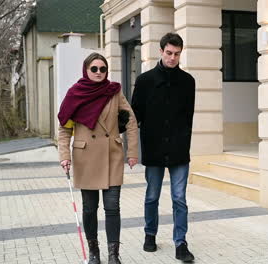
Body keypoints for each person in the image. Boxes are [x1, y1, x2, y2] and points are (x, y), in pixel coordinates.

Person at [57, 52, 139, 264]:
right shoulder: (75, 94)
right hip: (86, 158)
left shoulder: (114, 92)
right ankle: (94, 253)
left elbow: (130, 121)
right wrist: (64, 155)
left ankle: (114, 255)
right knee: (89, 208)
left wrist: (132, 152)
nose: (99, 73)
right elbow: (65, 129)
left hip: (111, 155)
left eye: (102, 69)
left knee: (112, 207)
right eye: (94, 69)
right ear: (86, 70)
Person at [131, 32, 195, 262]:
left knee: (179, 198)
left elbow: (188, 116)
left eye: (177, 54)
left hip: (179, 150)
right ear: (161, 51)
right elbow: (133, 116)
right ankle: (150, 235)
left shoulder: (188, 81)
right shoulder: (145, 80)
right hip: (154, 149)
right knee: (152, 196)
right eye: (169, 53)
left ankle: (181, 243)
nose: (172, 58)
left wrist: (183, 140)